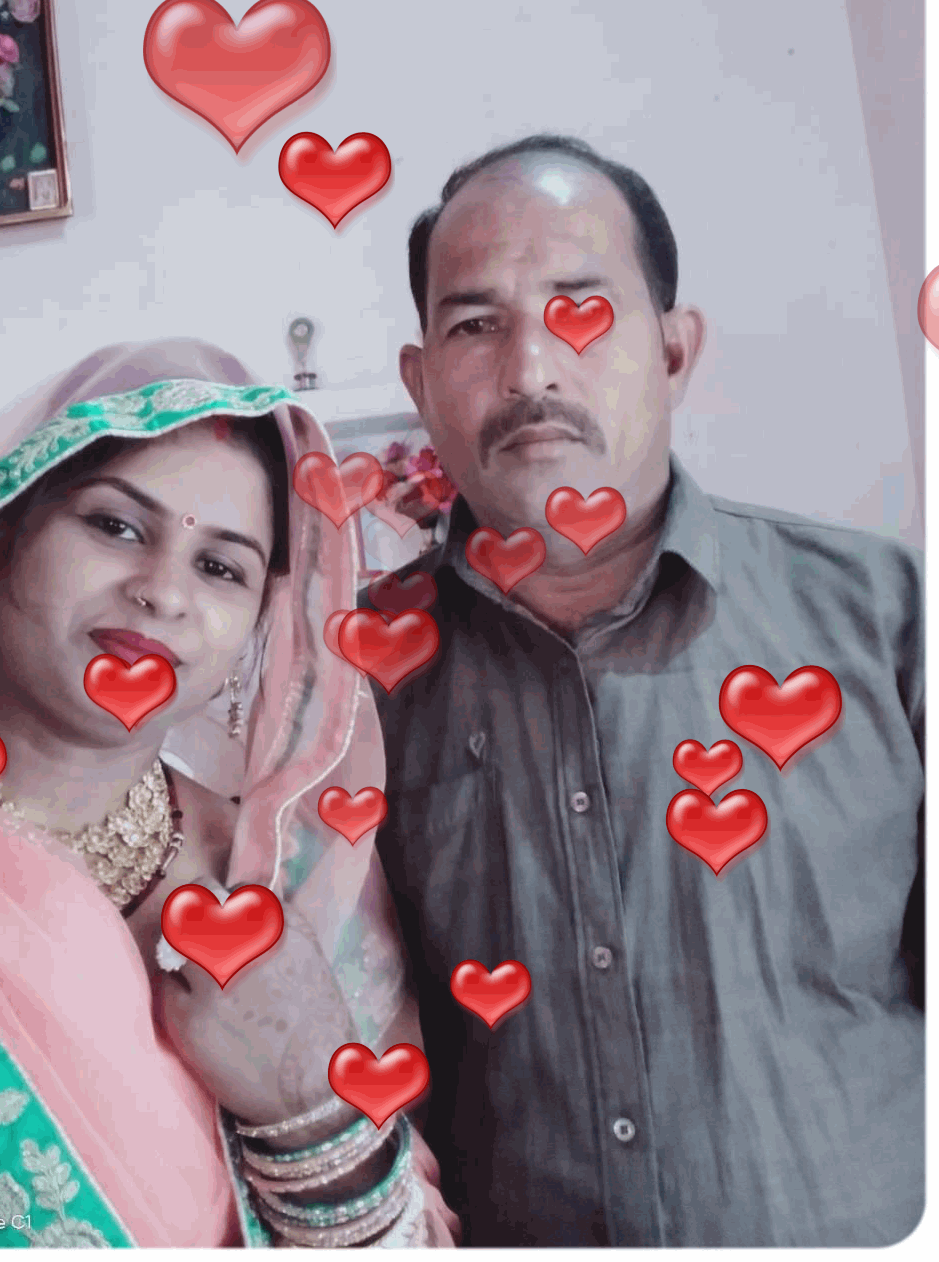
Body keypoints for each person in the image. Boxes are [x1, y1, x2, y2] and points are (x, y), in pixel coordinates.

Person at [366, 135, 924, 1247]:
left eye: (580, 308)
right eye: (475, 326)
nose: (532, 371)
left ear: (672, 350)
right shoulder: (353, 678)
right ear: (421, 383)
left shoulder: (884, 618)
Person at [0, 338, 458, 1248]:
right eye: (115, 525)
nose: (161, 593)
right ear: (0, 535)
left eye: (220, 567)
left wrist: (307, 1107)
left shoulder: (283, 873)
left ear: (257, 625)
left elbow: (416, 1234)